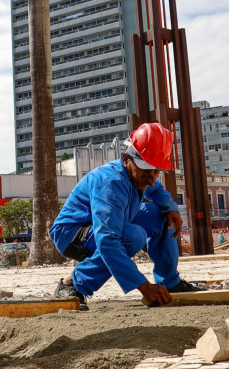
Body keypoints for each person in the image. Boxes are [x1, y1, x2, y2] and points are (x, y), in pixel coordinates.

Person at [50, 122, 204, 310]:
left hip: (108, 224)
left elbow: (157, 190)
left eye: (156, 171)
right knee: (133, 235)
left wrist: (171, 208)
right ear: (125, 159)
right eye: (146, 169)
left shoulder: (141, 174)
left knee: (162, 215)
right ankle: (72, 284)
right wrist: (145, 288)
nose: (151, 177)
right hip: (72, 234)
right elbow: (108, 241)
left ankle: (170, 282)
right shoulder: (110, 184)